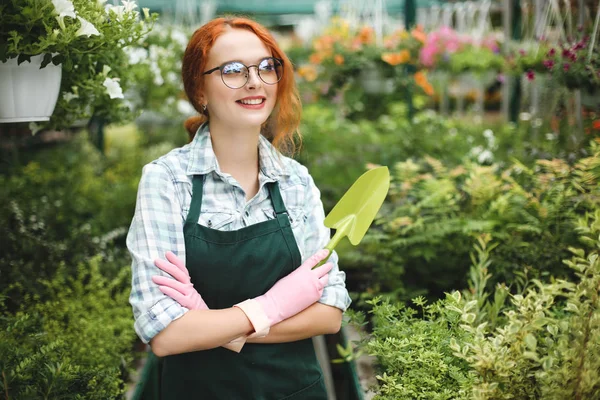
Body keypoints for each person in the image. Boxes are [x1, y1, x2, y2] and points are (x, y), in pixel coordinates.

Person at [126, 16, 352, 399]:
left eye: (267, 67)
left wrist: (211, 325)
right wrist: (272, 307)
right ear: (199, 90)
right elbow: (164, 334)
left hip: (295, 391)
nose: (255, 81)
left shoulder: (295, 183)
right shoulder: (168, 181)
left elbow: (329, 314)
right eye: (233, 70)